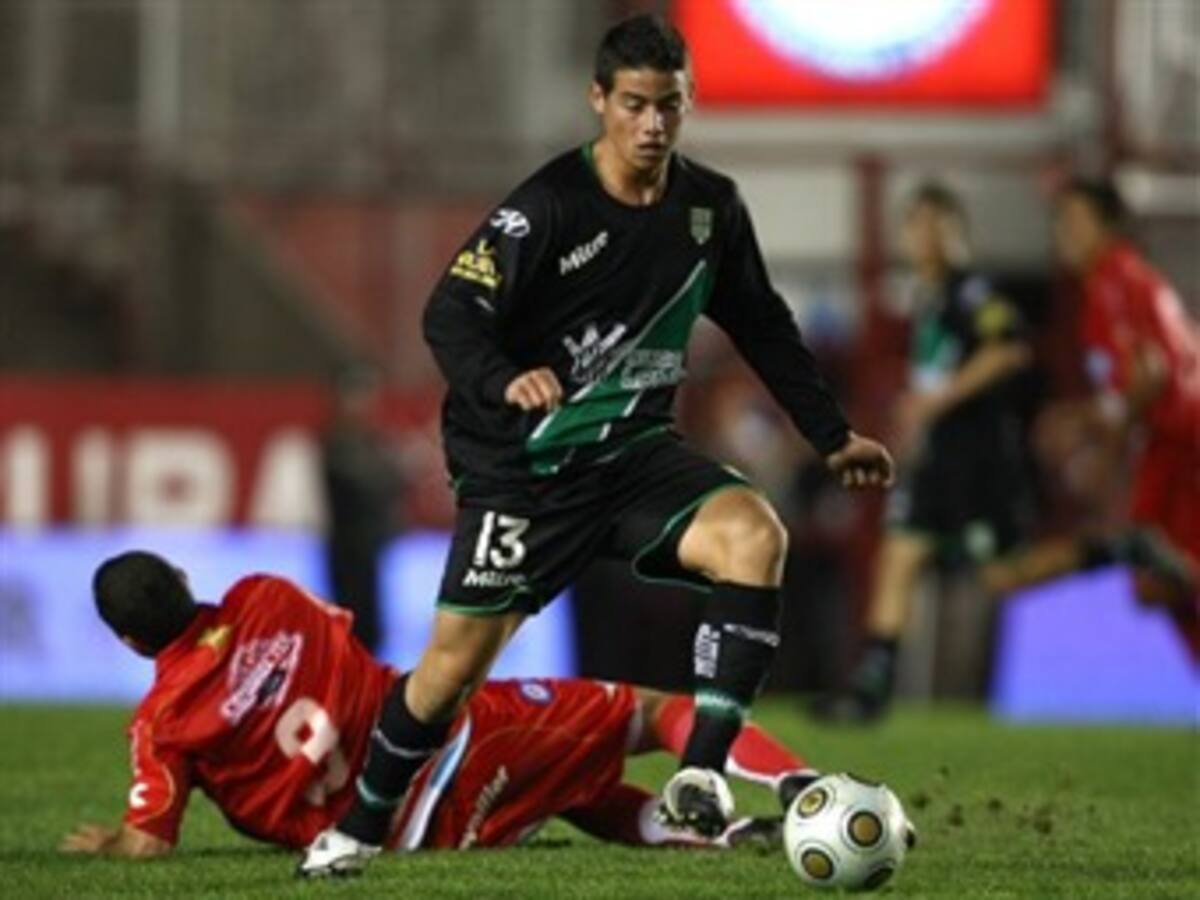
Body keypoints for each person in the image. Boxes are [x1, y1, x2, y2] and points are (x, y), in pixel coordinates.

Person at [302, 14, 895, 875]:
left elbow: (763, 325)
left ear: (688, 102)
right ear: (599, 102)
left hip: (636, 456)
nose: (652, 125)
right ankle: (355, 829)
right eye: (634, 106)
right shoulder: (547, 207)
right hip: (526, 472)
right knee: (447, 677)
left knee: (754, 535)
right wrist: (505, 378)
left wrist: (831, 434)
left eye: (669, 105)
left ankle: (699, 778)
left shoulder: (710, 210)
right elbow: (449, 313)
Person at [61, 552, 830, 860]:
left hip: (401, 839)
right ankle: (805, 788)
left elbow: (149, 845)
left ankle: (729, 836)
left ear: (128, 641)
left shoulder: (161, 722)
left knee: (575, 788)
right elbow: (337, 636)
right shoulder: (267, 595)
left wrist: (105, 847)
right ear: (185, 578)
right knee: (651, 710)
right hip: (449, 744)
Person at [813, 183, 1036, 723]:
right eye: (917, 225)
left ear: (959, 233)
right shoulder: (928, 295)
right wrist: (918, 423)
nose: (926, 237)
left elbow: (1008, 349)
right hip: (941, 458)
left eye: (938, 225)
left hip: (979, 461)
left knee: (1000, 576)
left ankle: (1106, 555)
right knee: (899, 554)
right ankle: (872, 689)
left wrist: (938, 400)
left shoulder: (971, 291)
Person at [980, 178, 1199, 656]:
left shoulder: (1114, 279)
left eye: (1076, 221)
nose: (1064, 232)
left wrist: (1102, 438)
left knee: (1159, 576)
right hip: (1174, 440)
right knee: (1159, 585)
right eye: (1060, 222)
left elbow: (1151, 375)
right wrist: (1089, 421)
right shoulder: (1124, 281)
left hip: (1181, 443)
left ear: (1109, 226)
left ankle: (1099, 554)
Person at [320, 364, 402, 654]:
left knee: (370, 631)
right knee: (354, 629)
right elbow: (368, 483)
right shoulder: (338, 441)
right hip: (349, 551)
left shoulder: (370, 440)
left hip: (369, 551)